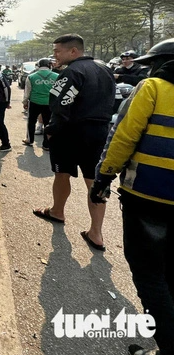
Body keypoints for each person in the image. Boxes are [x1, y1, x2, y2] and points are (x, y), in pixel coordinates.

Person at [90, 39, 174, 355]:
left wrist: (103, 177)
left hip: (150, 196)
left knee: (150, 274)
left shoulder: (153, 87)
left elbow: (124, 136)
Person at [33, 34, 116, 251]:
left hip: (70, 133)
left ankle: (57, 211)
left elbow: (61, 105)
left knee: (62, 174)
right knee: (95, 181)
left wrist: (51, 130)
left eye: (57, 51)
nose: (55, 56)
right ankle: (96, 233)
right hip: (99, 133)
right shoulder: (106, 70)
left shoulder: (71, 72)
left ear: (73, 51)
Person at [22, 58, 58, 150]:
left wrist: (25, 102)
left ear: (38, 66)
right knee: (48, 123)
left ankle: (29, 140)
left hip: (34, 102)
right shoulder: (56, 76)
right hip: (49, 103)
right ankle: (46, 144)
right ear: (49, 65)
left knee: (31, 122)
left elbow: (27, 92)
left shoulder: (31, 76)